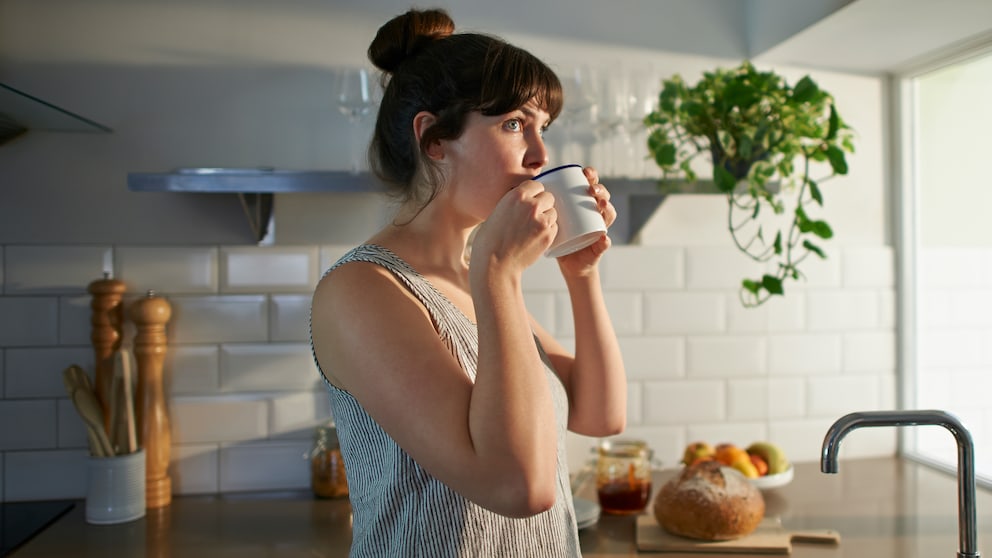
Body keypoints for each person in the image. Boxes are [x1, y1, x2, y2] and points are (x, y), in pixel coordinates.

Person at [309, 7, 626, 557]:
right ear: (433, 139)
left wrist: (582, 273)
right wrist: (498, 273)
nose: (541, 155)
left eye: (542, 127)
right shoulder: (361, 290)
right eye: (512, 124)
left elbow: (600, 414)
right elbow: (518, 487)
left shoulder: (470, 277)